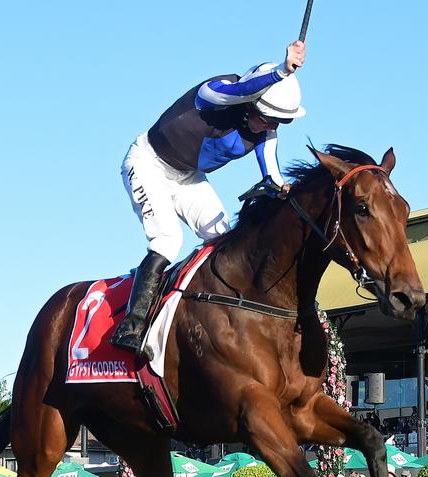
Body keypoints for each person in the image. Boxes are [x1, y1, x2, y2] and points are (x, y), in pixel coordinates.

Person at [110, 41, 307, 355]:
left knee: (222, 237)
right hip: (147, 164)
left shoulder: (265, 133)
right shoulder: (214, 93)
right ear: (249, 104)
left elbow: (273, 178)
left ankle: (207, 313)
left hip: (187, 177)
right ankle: (131, 326)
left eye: (281, 122)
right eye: (267, 117)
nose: (271, 126)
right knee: (167, 239)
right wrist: (281, 71)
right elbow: (235, 93)